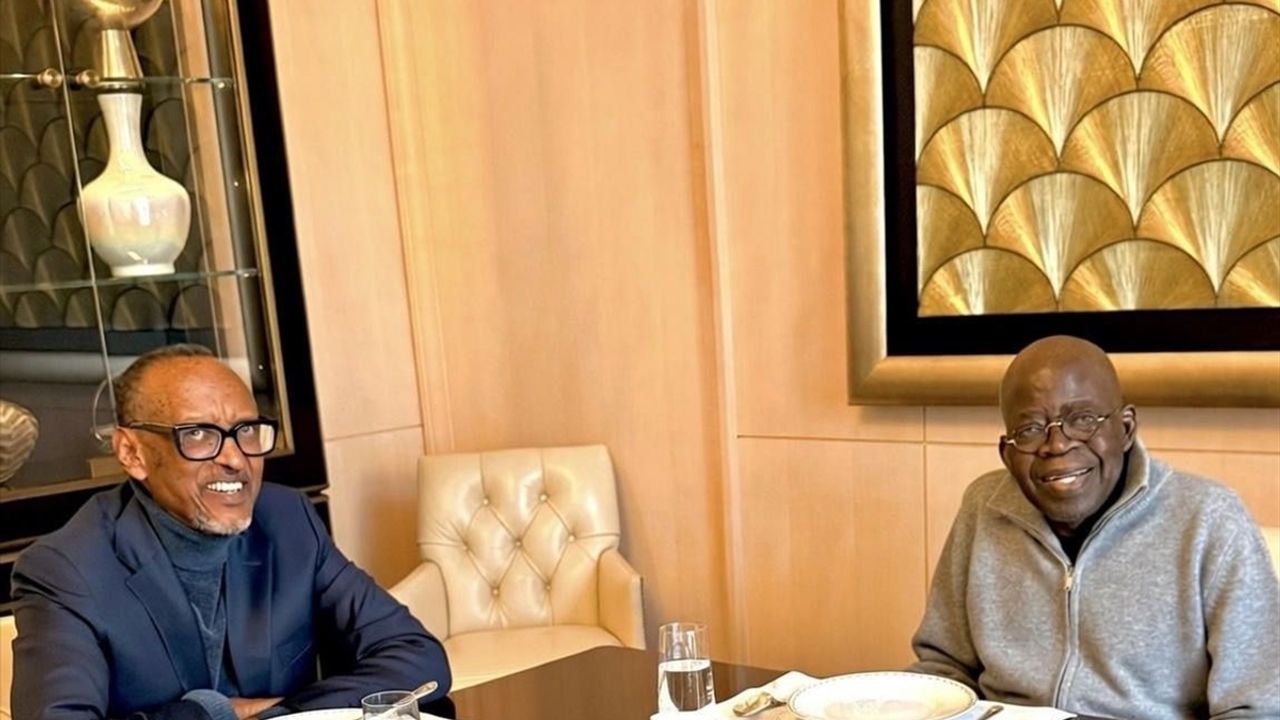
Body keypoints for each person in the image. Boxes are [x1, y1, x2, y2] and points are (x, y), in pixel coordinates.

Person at [11, 344, 451, 719]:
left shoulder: (287, 519)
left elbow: (417, 657)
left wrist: (279, 714)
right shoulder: (67, 570)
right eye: (199, 434)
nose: (236, 459)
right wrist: (208, 712)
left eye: (246, 431)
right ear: (132, 453)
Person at [909, 335, 1280, 718]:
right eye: (1031, 429)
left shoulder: (1210, 520)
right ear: (1007, 453)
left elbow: (1258, 710)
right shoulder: (983, 507)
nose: (1057, 445)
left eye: (1082, 420)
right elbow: (944, 671)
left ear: (1126, 429)